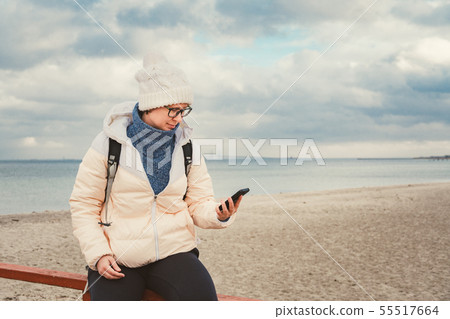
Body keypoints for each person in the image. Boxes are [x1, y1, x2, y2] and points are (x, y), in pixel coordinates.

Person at [69, 52, 242, 301]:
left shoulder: (187, 146)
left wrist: (218, 214)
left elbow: (198, 203)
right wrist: (99, 255)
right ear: (151, 104)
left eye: (184, 111)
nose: (179, 118)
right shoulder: (109, 145)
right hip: (119, 257)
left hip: (175, 252)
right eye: (173, 110)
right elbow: (84, 206)